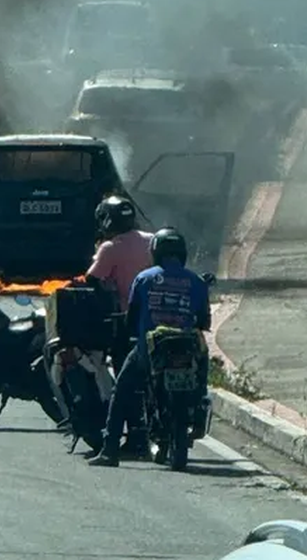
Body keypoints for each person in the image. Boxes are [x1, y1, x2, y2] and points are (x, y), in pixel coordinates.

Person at [89, 227, 211, 468]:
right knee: (202, 374)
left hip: (151, 350)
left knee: (121, 392)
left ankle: (110, 451)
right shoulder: (196, 281)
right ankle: (199, 407)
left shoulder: (144, 279)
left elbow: (132, 319)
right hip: (187, 348)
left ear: (155, 252)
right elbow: (204, 322)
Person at [80, 195, 154, 457]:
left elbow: (92, 280)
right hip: (160, 319)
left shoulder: (110, 248)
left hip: (127, 322)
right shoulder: (151, 240)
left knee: (125, 384)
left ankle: (131, 438)